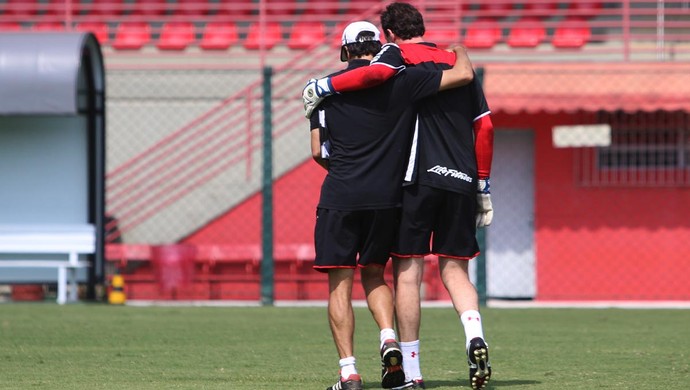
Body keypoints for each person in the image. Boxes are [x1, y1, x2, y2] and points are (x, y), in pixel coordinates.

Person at [302, 3, 495, 390]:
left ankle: (384, 372)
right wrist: (483, 184)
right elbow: (479, 112)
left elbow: (320, 149)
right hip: (429, 186)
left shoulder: (371, 76)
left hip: (379, 187)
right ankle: (449, 335)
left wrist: (323, 86)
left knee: (382, 277)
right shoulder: (428, 73)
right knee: (425, 269)